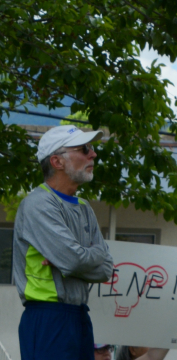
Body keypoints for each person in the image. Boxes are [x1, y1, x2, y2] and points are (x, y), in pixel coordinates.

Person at [15, 124, 115, 360]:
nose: (93, 154)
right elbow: (74, 260)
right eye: (83, 149)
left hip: (80, 315)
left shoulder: (84, 207)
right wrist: (83, 257)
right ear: (57, 162)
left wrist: (75, 259)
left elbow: (107, 267)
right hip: (47, 316)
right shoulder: (37, 204)